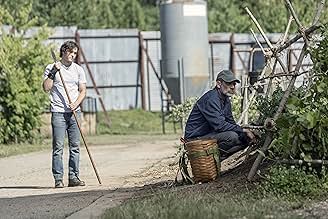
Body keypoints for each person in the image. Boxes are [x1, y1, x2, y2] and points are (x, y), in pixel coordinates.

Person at [43, 41, 87, 188]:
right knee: (58, 146)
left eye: (75, 53)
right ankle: (58, 179)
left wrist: (76, 103)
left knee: (75, 146)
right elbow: (46, 87)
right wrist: (54, 72)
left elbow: (83, 91)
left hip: (74, 112)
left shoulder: (79, 69)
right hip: (58, 113)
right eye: (70, 52)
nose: (72, 55)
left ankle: (73, 177)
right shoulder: (51, 67)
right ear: (63, 52)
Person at [184, 70, 255, 160]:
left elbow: (230, 122)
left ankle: (217, 158)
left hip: (209, 135)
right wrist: (242, 129)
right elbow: (220, 126)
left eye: (234, 84)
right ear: (219, 84)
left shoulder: (225, 100)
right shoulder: (211, 99)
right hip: (194, 140)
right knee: (232, 136)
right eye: (229, 83)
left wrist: (244, 132)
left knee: (244, 138)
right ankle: (211, 158)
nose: (233, 87)